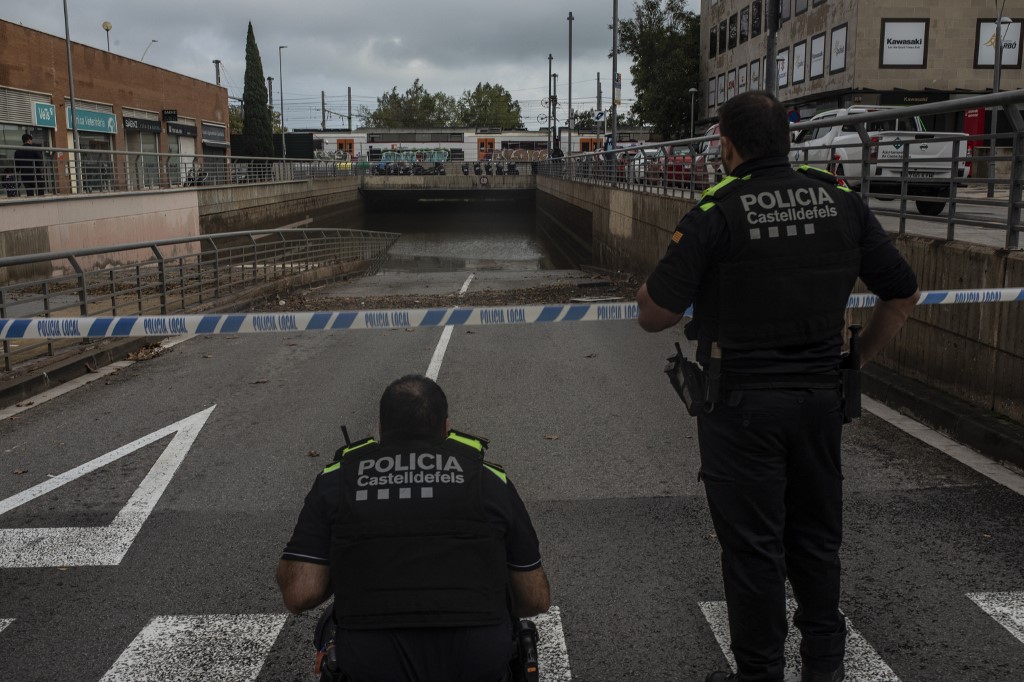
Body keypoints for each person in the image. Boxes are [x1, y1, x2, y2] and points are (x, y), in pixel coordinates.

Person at [636, 91, 920, 682]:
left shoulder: (717, 209)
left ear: (727, 143)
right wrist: (854, 364)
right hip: (820, 401)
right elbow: (902, 295)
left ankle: (760, 674)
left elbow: (656, 314)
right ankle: (825, 670)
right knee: (817, 544)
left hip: (739, 408)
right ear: (788, 140)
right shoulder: (841, 199)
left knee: (753, 552)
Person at [277, 374, 551, 682]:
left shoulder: (336, 480)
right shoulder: (489, 480)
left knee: (328, 626)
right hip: (477, 661)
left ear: (380, 428)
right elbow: (534, 599)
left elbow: (299, 595)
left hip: (374, 664)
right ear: (446, 427)